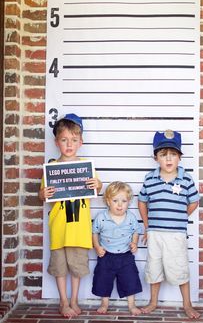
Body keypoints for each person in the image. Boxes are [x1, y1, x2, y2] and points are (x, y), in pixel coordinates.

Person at [39, 113, 102, 318]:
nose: (69, 144)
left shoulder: (86, 167)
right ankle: (63, 302)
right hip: (59, 229)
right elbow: (42, 194)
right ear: (57, 142)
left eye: (74, 140)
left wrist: (97, 184)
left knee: (76, 268)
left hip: (79, 229)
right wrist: (43, 194)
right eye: (64, 140)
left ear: (80, 142)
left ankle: (74, 299)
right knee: (60, 268)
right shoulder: (51, 168)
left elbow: (98, 187)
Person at [138, 130, 200, 319]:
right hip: (155, 233)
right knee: (154, 267)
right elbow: (142, 202)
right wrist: (147, 226)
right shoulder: (150, 178)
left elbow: (194, 201)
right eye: (163, 154)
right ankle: (153, 301)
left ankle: (187, 304)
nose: (169, 159)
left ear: (179, 157)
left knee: (180, 268)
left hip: (176, 234)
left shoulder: (186, 179)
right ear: (155, 157)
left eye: (173, 154)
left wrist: (182, 215)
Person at [92, 181, 143, 316]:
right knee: (103, 279)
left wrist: (134, 243)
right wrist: (97, 247)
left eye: (124, 201)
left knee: (130, 279)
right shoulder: (101, 218)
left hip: (125, 256)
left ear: (128, 202)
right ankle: (104, 303)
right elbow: (95, 233)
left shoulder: (131, 218)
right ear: (108, 201)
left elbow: (136, 231)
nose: (120, 205)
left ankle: (132, 305)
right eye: (115, 201)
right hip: (106, 255)